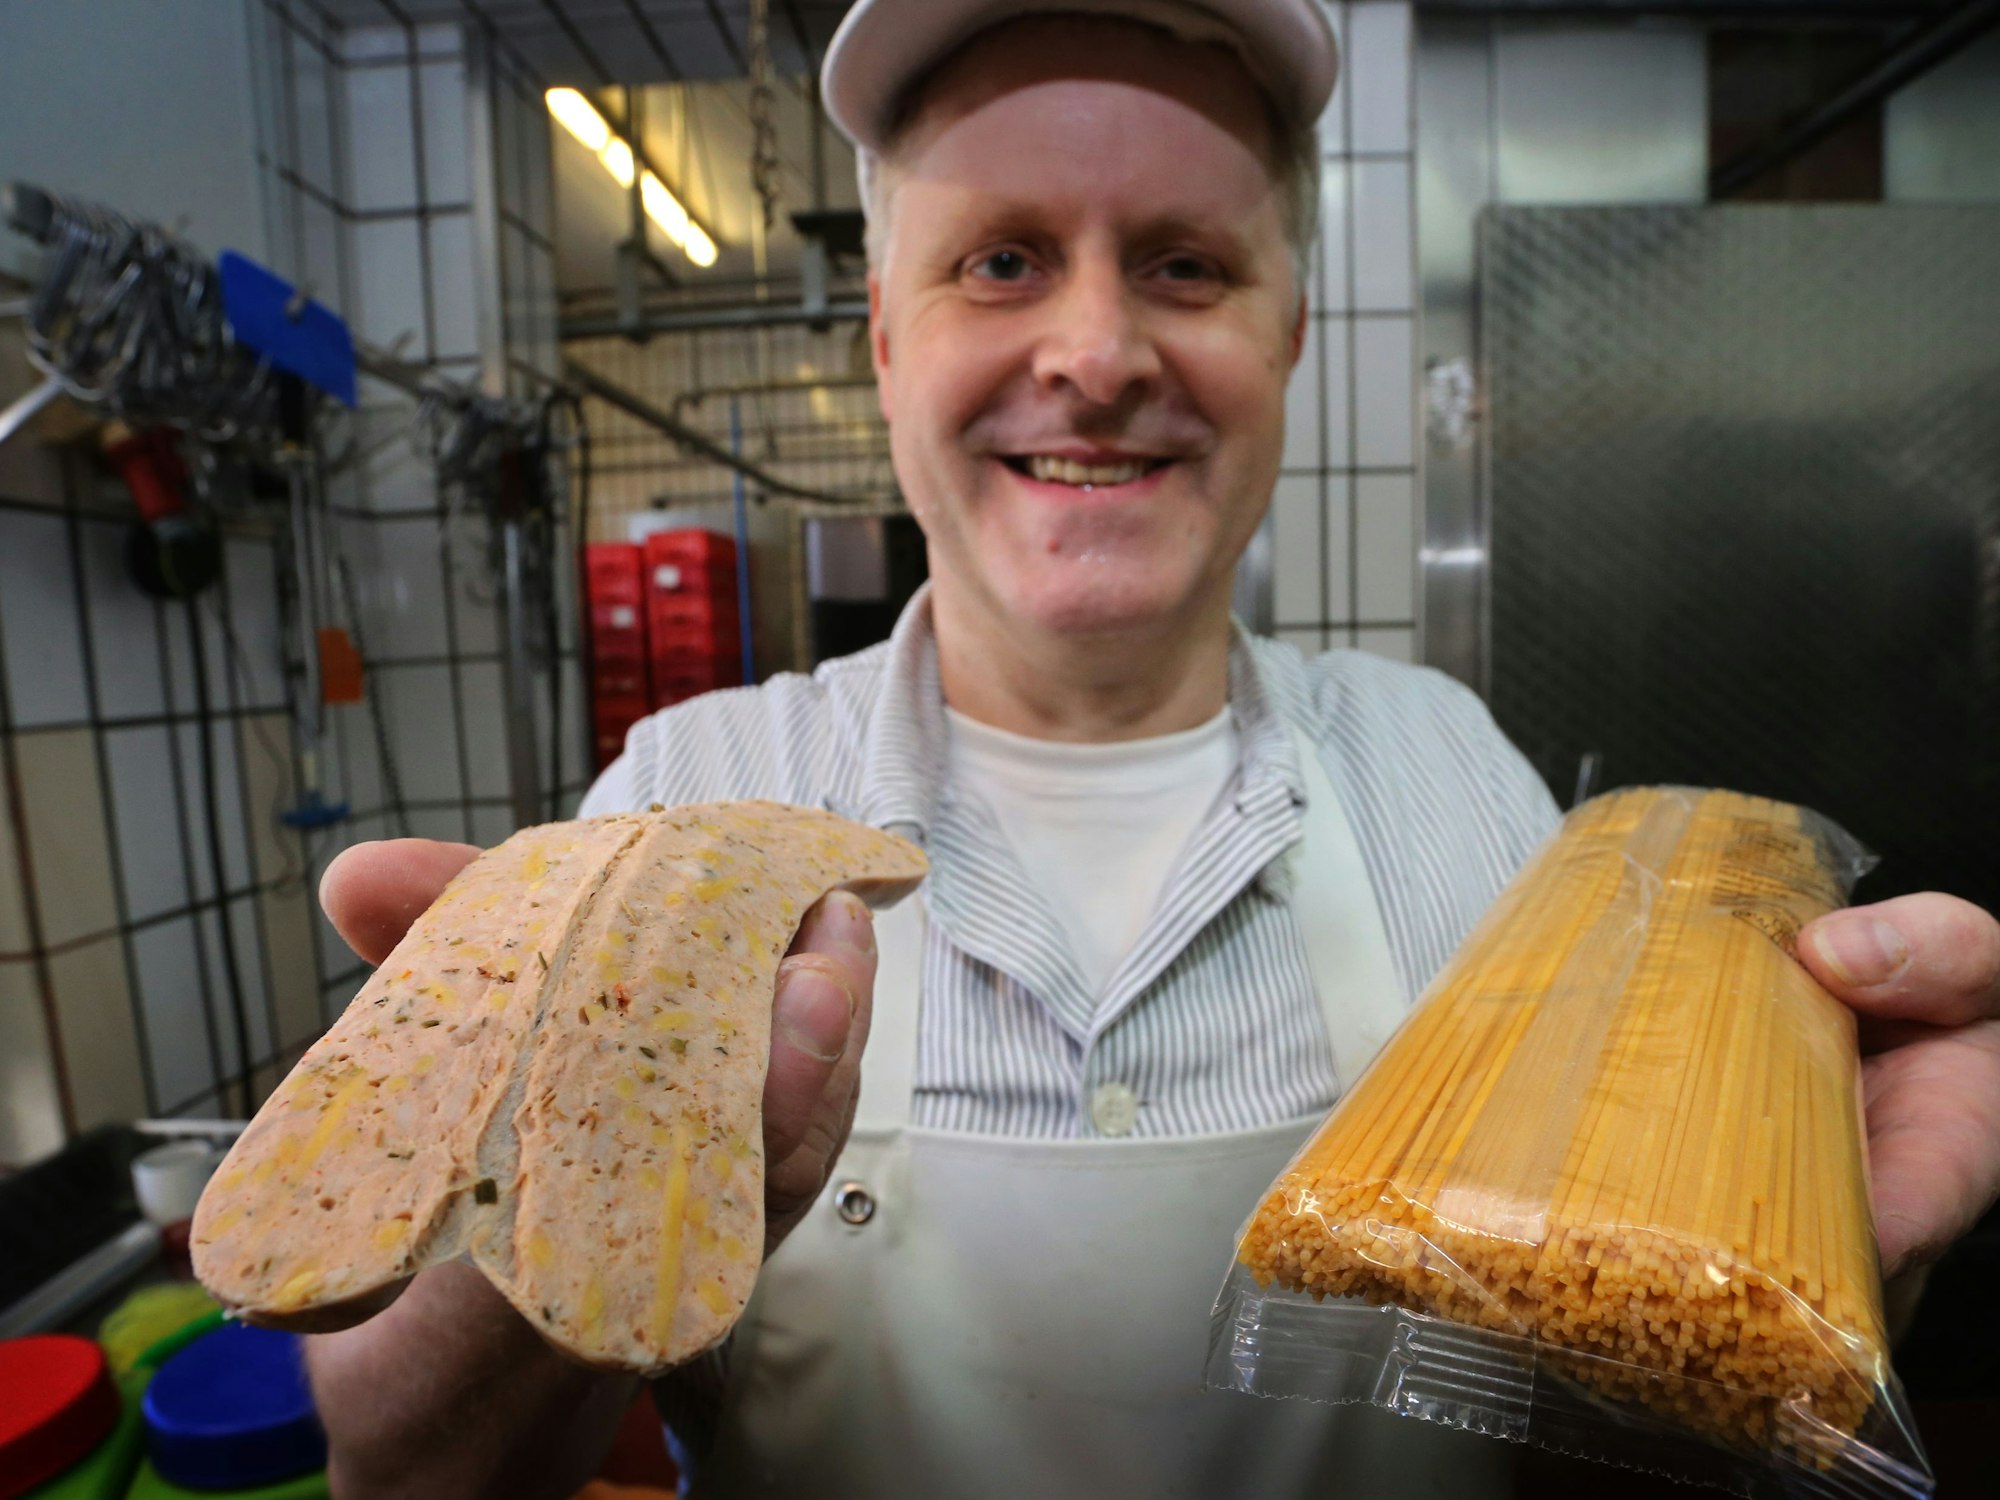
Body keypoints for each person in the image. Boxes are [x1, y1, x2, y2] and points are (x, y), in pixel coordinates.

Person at [304, 1, 2000, 1495]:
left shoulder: (1450, 772)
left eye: (1186, 263)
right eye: (1001, 261)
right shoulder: (687, 799)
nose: (1099, 356)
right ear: (887, 339)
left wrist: (1814, 1248)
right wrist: (545, 1233)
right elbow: (412, 1474)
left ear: (1287, 337)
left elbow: (1616, 1450)